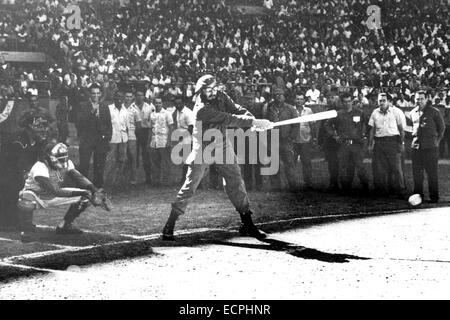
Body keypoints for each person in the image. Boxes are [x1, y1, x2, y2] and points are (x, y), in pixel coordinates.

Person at [161, 75, 272, 241]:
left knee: (235, 179)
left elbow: (237, 109)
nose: (212, 92)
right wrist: (253, 123)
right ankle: (170, 224)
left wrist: (254, 121)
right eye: (208, 89)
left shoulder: (221, 95)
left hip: (222, 144)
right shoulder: (201, 108)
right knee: (191, 185)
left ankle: (247, 224)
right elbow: (228, 118)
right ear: (201, 91)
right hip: (204, 146)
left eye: (214, 88)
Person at [17, 142, 100, 236]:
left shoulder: (67, 163)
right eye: (59, 156)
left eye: (63, 156)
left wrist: (94, 190)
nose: (62, 159)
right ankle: (27, 230)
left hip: (53, 195)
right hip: (37, 196)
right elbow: (55, 191)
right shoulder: (40, 167)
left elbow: (79, 177)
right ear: (47, 156)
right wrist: (85, 192)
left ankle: (64, 226)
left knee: (86, 197)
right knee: (26, 199)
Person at [0, 109, 52, 230]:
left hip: (16, 173)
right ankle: (9, 219)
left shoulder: (39, 141)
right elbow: (17, 169)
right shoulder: (18, 142)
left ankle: (16, 219)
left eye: (45, 126)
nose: (44, 129)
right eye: (39, 126)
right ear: (29, 126)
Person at [325, 92, 370, 192]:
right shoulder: (338, 114)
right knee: (344, 167)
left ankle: (366, 188)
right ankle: (346, 188)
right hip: (343, 144)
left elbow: (369, 124)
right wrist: (335, 135)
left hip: (356, 144)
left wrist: (365, 136)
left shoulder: (359, 113)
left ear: (352, 102)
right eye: (345, 102)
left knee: (360, 166)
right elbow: (327, 125)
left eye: (349, 101)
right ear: (341, 102)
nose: (347, 104)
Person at [408, 91, 445, 203]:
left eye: (421, 99)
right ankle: (419, 196)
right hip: (416, 148)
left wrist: (436, 142)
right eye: (417, 99)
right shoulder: (412, 112)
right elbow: (411, 128)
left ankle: (434, 197)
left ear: (426, 99)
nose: (419, 101)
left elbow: (442, 128)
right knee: (417, 174)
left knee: (432, 174)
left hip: (430, 148)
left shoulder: (434, 112)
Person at [368, 93, 406, 197]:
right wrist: (370, 144)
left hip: (392, 141)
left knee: (396, 168)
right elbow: (372, 130)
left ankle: (400, 190)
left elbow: (401, 130)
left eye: (384, 100)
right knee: (380, 168)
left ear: (388, 101)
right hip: (379, 142)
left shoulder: (395, 112)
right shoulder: (374, 112)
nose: (382, 103)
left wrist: (401, 143)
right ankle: (383, 191)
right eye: (380, 101)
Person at [77, 83, 112, 188]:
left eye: (97, 93)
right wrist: (91, 113)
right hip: (87, 139)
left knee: (100, 165)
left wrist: (108, 136)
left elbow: (108, 123)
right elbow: (79, 124)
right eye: (93, 93)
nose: (95, 96)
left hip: (100, 140)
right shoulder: (82, 106)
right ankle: (83, 188)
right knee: (84, 165)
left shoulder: (104, 106)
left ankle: (98, 188)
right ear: (89, 94)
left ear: (100, 94)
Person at [267, 88, 299, 190]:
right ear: (273, 97)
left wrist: (291, 137)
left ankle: (292, 186)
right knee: (274, 164)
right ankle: (276, 187)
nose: (278, 97)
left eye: (280, 95)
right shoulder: (269, 109)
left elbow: (296, 124)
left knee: (289, 163)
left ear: (284, 96)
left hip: (286, 140)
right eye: (276, 95)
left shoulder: (290, 109)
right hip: (273, 140)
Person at [105, 89, 129, 188]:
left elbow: (127, 127)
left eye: (121, 97)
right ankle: (107, 183)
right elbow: (106, 125)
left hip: (123, 139)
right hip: (112, 139)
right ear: (114, 98)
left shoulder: (125, 111)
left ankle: (118, 183)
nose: (119, 99)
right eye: (117, 97)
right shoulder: (108, 109)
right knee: (110, 161)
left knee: (122, 161)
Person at [149, 96, 174, 186]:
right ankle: (156, 181)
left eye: (160, 103)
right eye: (156, 103)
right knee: (155, 162)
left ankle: (166, 181)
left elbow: (171, 127)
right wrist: (149, 141)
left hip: (164, 140)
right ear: (154, 104)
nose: (158, 104)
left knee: (166, 162)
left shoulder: (167, 113)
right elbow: (151, 128)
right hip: (154, 140)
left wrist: (169, 141)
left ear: (162, 103)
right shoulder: (152, 114)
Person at [293, 94, 316, 189]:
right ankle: (292, 182)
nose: (299, 101)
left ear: (304, 101)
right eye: (297, 99)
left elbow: (313, 125)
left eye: (301, 99)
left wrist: (314, 138)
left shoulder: (308, 111)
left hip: (305, 140)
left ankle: (308, 181)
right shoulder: (291, 109)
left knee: (306, 162)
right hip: (293, 140)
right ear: (295, 100)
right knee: (292, 162)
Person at [172, 94, 195, 184]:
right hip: (182, 137)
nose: (178, 105)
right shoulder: (177, 111)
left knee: (189, 160)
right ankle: (185, 178)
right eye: (176, 104)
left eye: (179, 103)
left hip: (189, 138)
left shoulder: (188, 112)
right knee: (185, 159)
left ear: (183, 103)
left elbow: (191, 127)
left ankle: (188, 179)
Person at [134, 87, 154, 184]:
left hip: (145, 132)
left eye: (141, 95)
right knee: (134, 154)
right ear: (135, 96)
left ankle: (148, 177)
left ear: (144, 96)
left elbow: (152, 122)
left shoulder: (149, 107)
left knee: (146, 154)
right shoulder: (131, 107)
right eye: (138, 95)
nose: (139, 97)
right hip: (134, 132)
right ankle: (134, 177)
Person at [123, 88, 142, 185]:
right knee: (122, 157)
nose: (128, 98)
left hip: (131, 137)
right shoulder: (120, 107)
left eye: (130, 97)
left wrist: (134, 134)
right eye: (127, 96)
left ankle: (133, 178)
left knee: (132, 157)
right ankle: (123, 178)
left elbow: (138, 125)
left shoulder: (135, 109)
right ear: (124, 97)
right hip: (121, 137)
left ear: (133, 98)